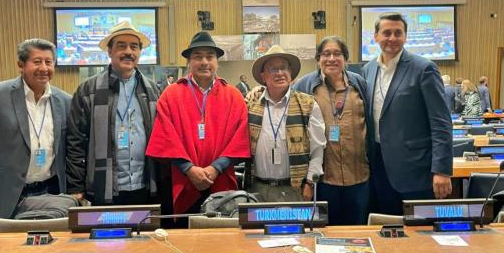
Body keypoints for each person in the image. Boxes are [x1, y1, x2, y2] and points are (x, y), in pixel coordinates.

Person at [146, 31, 250, 218]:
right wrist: (189, 169)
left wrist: (215, 168)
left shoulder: (233, 96)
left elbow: (240, 138)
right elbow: (164, 137)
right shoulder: (171, 95)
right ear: (189, 62)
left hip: (220, 182)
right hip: (181, 179)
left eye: (210, 57)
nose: (204, 62)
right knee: (182, 241)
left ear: (217, 61)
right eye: (198, 57)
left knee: (222, 241)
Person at [362, 12, 453, 215]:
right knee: (385, 230)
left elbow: (441, 123)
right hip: (378, 169)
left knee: (419, 234)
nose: (392, 38)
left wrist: (442, 170)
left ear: (405, 36)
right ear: (375, 37)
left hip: (416, 171)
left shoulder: (424, 69)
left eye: (398, 33)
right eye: (387, 33)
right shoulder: (368, 70)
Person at [66, 21, 161, 205]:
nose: (128, 51)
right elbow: (75, 142)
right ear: (109, 51)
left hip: (145, 186)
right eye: (121, 46)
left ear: (140, 52)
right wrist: (75, 186)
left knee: (144, 234)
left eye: (134, 46)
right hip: (104, 187)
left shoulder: (153, 90)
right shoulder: (88, 90)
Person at [0, 38, 71, 218]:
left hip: (51, 195)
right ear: (21, 65)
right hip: (4, 196)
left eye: (48, 62)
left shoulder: (65, 101)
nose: (44, 68)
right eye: (37, 62)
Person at [294, 36, 370, 225]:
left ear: (346, 59)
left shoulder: (359, 84)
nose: (331, 58)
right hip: (324, 181)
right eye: (326, 54)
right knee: (326, 234)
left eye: (337, 54)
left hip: (360, 178)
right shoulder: (305, 86)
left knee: (358, 234)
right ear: (318, 58)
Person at [246, 45, 326, 203]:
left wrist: (310, 183)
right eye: (273, 69)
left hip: (296, 189)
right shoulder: (250, 104)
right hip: (257, 189)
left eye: (283, 68)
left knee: (295, 228)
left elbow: (318, 149)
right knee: (257, 228)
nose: (280, 73)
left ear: (291, 73)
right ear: (263, 76)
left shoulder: (308, 104)